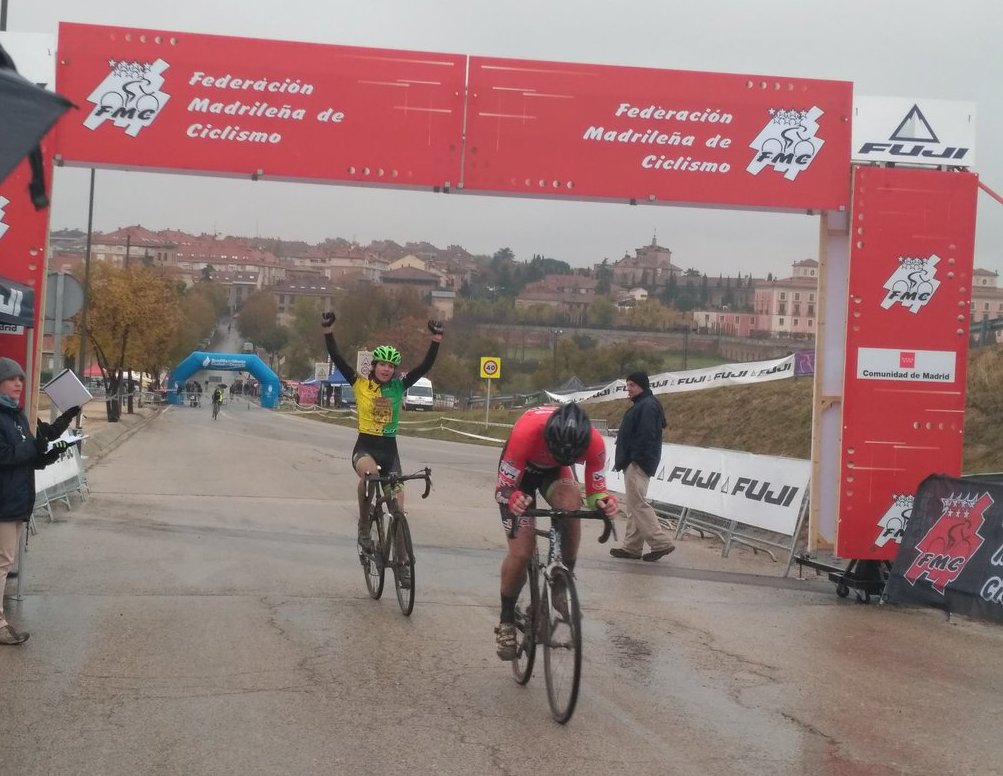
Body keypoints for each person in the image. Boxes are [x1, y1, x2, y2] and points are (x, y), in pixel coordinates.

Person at [493, 402, 619, 660]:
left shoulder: (593, 443)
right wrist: (513, 497)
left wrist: (604, 502)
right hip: (521, 477)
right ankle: (506, 620)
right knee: (521, 552)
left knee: (571, 508)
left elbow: (596, 492)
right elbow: (502, 489)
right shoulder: (525, 432)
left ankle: (561, 582)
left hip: (554, 474)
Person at [321, 311, 444, 551]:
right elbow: (337, 357)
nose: (386, 369)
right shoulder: (360, 384)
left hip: (390, 452)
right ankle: (364, 525)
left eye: (391, 366)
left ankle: (402, 562)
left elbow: (425, 366)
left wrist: (436, 339)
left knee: (398, 511)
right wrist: (328, 330)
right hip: (365, 448)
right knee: (368, 478)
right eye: (382, 364)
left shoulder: (399, 387)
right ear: (374, 366)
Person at [0, 357, 80, 645]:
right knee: (3, 561)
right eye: (12, 379)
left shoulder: (18, 415)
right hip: (4, 500)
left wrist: (48, 454)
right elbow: (6, 456)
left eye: (21, 379)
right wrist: (34, 448)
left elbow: (30, 454)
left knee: (4, 561)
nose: (19, 384)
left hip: (18, 498)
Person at [609, 370, 676, 562]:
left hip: (638, 462)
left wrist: (635, 459)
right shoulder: (645, 404)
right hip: (637, 461)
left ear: (641, 386)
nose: (627, 389)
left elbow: (647, 436)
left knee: (637, 504)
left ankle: (661, 542)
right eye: (627, 385)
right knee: (634, 504)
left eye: (631, 385)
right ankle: (632, 547)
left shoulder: (646, 406)